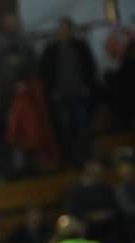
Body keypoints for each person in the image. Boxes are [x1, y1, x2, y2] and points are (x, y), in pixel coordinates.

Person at [40, 18, 98, 166]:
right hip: (60, 95)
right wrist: (51, 90)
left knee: (81, 125)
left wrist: (87, 86)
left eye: (66, 28)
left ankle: (86, 156)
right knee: (64, 128)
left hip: (78, 92)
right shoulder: (51, 49)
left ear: (71, 30)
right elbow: (45, 72)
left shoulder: (80, 46)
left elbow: (90, 67)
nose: (63, 31)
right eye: (61, 28)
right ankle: (69, 158)